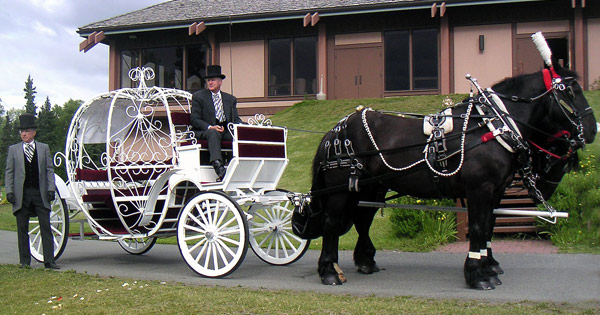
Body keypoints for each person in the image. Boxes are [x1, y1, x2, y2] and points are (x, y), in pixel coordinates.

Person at [5, 113, 59, 269]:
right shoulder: (13, 150)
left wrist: (50, 188)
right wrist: (9, 191)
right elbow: (9, 172)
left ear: (33, 132)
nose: (23, 134)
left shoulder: (43, 148)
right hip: (22, 194)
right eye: (21, 131)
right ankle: (24, 262)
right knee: (22, 228)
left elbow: (49, 170)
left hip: (39, 193)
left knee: (45, 226)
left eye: (27, 131)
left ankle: (49, 260)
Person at [190, 65, 242, 181]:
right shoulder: (199, 97)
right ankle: (219, 168)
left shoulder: (230, 99)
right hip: (204, 131)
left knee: (237, 136)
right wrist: (210, 127)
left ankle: (238, 164)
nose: (210, 83)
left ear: (220, 82)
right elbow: (195, 119)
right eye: (208, 80)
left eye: (212, 80)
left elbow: (236, 119)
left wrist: (242, 127)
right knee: (213, 133)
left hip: (224, 130)